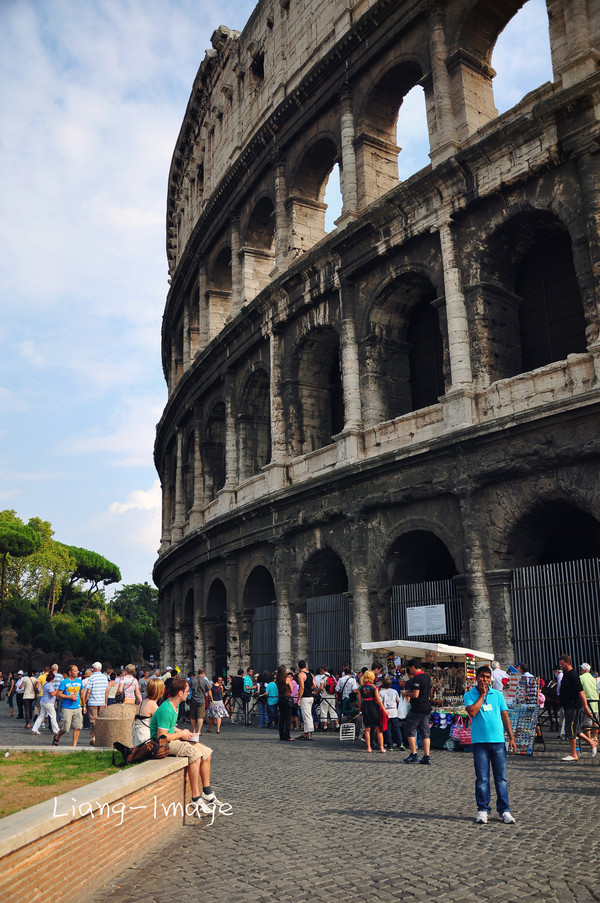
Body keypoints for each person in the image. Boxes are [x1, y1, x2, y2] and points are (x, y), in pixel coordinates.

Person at [150, 676, 225, 817]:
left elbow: (171, 728)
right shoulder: (166, 709)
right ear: (180, 693)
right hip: (162, 744)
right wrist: (181, 734)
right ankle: (195, 797)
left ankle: (207, 792)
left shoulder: (175, 705)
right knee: (195, 754)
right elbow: (162, 736)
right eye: (186, 691)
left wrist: (186, 733)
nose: (188, 693)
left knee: (207, 752)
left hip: (171, 739)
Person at [464, 665, 517, 824]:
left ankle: (504, 810)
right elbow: (472, 711)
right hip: (480, 742)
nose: (484, 680)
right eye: (482, 676)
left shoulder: (498, 695)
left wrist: (511, 737)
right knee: (482, 778)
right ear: (477, 677)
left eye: (487, 677)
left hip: (498, 741)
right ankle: (483, 809)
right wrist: (481, 695)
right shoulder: (469, 694)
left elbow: (504, 716)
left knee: (501, 778)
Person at [558, 654, 597, 761]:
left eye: (562, 664)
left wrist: (585, 707)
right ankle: (591, 742)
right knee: (576, 729)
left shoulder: (573, 675)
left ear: (568, 663)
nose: (561, 666)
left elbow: (581, 692)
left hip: (573, 706)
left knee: (570, 729)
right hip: (568, 706)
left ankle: (573, 753)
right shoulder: (566, 674)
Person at [402, 659, 433, 765]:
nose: (410, 671)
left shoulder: (417, 678)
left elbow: (415, 694)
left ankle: (414, 754)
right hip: (426, 707)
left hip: (417, 708)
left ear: (413, 667)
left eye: (410, 669)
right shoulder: (426, 676)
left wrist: (407, 693)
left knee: (410, 730)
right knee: (425, 733)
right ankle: (426, 756)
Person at [53, 664, 86, 747]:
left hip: (77, 707)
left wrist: (84, 705)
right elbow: (58, 694)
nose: (77, 672)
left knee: (78, 726)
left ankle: (74, 746)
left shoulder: (79, 681)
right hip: (67, 707)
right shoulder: (64, 682)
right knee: (65, 728)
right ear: (70, 672)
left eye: (77, 671)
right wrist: (69, 697)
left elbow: (82, 693)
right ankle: (57, 737)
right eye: (75, 671)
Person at [358, 670, 386, 753]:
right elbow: (378, 699)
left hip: (365, 707)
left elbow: (359, 701)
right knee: (378, 729)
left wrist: (360, 710)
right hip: (374, 707)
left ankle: (369, 748)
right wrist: (384, 709)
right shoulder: (374, 687)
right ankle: (381, 747)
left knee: (367, 729)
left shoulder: (361, 688)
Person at [132, 676, 164, 745]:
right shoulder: (153, 705)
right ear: (160, 691)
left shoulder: (143, 702)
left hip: (138, 734)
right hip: (145, 737)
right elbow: (161, 724)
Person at [84, 662, 109, 746]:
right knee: (99, 720)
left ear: (93, 668)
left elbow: (88, 691)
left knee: (93, 720)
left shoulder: (92, 677)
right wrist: (106, 702)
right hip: (102, 701)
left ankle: (97, 737)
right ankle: (93, 738)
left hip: (93, 701)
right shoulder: (104, 677)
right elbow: (106, 690)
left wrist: (85, 701)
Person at [379, 676, 405, 750]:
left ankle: (390, 745)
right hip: (394, 711)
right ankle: (400, 743)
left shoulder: (381, 692)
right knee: (396, 728)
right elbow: (398, 700)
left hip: (386, 712)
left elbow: (380, 702)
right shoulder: (394, 691)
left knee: (388, 729)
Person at [31, 669, 60, 736]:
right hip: (48, 702)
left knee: (41, 716)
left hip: (43, 701)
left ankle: (34, 729)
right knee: (53, 716)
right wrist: (56, 691)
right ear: (52, 679)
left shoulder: (45, 684)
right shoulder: (49, 685)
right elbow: (52, 693)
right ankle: (56, 730)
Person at [579, 663, 599, 749]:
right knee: (595, 721)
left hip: (587, 701)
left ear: (583, 669)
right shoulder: (593, 678)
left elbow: (580, 690)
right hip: (595, 701)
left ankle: (588, 739)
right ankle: (595, 737)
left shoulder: (581, 678)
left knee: (587, 722)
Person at [189, 668, 212, 735]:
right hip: (202, 700)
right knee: (200, 716)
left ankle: (193, 730)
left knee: (192, 716)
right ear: (203, 673)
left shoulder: (192, 680)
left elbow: (188, 689)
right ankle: (199, 731)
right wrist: (211, 698)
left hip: (193, 700)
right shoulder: (205, 681)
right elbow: (209, 692)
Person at [297, 660, 315, 740]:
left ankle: (310, 733)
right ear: (305, 666)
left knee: (306, 715)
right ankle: (306, 732)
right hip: (311, 696)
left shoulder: (301, 675)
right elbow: (314, 685)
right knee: (307, 714)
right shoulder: (310, 674)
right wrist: (309, 689)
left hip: (305, 697)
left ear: (298, 667)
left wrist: (299, 698)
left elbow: (302, 687)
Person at [276, 664, 295, 742]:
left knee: (282, 718)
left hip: (280, 698)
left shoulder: (277, 680)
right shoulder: (287, 679)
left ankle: (281, 735)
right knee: (287, 718)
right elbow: (291, 689)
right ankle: (287, 735)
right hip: (287, 698)